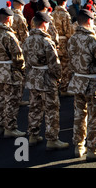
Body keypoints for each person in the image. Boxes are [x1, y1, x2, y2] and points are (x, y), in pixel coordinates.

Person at [67, 5, 96, 161]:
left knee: (79, 115)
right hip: (93, 82)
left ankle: (79, 146)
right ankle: (93, 149)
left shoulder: (72, 39)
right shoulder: (93, 39)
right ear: (89, 21)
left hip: (78, 80)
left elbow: (70, 60)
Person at [22, 11, 68, 150]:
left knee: (34, 107)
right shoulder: (47, 41)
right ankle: (52, 139)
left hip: (33, 76)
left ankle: (33, 135)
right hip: (46, 78)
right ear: (44, 24)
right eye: (48, 23)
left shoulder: (27, 40)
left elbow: (25, 60)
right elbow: (54, 64)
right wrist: (59, 77)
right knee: (51, 109)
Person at [0, 4, 26, 138]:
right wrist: (22, 70)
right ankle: (10, 128)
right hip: (10, 71)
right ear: (9, 19)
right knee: (11, 100)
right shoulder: (9, 35)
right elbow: (17, 56)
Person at [52, 0, 75, 95]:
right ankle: (64, 88)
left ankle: (55, 86)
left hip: (54, 41)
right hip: (63, 42)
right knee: (66, 66)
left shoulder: (52, 13)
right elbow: (68, 30)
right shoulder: (65, 14)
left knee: (56, 65)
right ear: (64, 2)